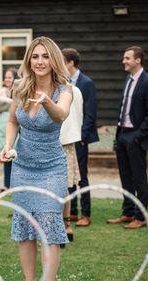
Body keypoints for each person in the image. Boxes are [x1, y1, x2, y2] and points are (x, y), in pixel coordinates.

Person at [0, 36, 72, 281]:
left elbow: (61, 116)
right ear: (29, 60)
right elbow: (12, 121)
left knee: (49, 231)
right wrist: (7, 146)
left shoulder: (64, 90)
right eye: (35, 56)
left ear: (53, 60)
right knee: (25, 232)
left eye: (45, 56)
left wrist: (47, 102)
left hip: (52, 168)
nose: (39, 61)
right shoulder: (20, 87)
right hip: (23, 168)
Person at [107, 46, 148, 229]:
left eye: (127, 58)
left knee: (139, 178)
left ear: (138, 60)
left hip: (136, 136)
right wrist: (117, 136)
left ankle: (140, 217)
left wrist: (138, 136)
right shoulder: (128, 79)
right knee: (125, 177)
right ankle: (128, 212)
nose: (123, 61)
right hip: (122, 134)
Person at [62, 48, 99, 226]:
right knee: (70, 176)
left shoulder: (87, 83)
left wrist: (81, 137)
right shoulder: (63, 83)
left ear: (70, 63)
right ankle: (73, 211)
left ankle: (86, 213)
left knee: (82, 177)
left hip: (80, 138)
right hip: (67, 136)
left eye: (62, 61)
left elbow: (90, 114)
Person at [59, 85, 83, 244]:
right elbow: (79, 117)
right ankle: (66, 226)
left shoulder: (70, 90)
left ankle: (64, 225)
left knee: (63, 187)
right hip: (67, 140)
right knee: (65, 187)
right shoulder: (75, 89)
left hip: (62, 141)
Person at [0, 68, 18, 192]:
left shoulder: (18, 90)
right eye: (6, 77)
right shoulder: (1, 91)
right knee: (6, 156)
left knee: (17, 156)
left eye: (10, 77)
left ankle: (17, 185)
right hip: (2, 126)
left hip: (16, 125)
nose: (7, 79)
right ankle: (6, 185)